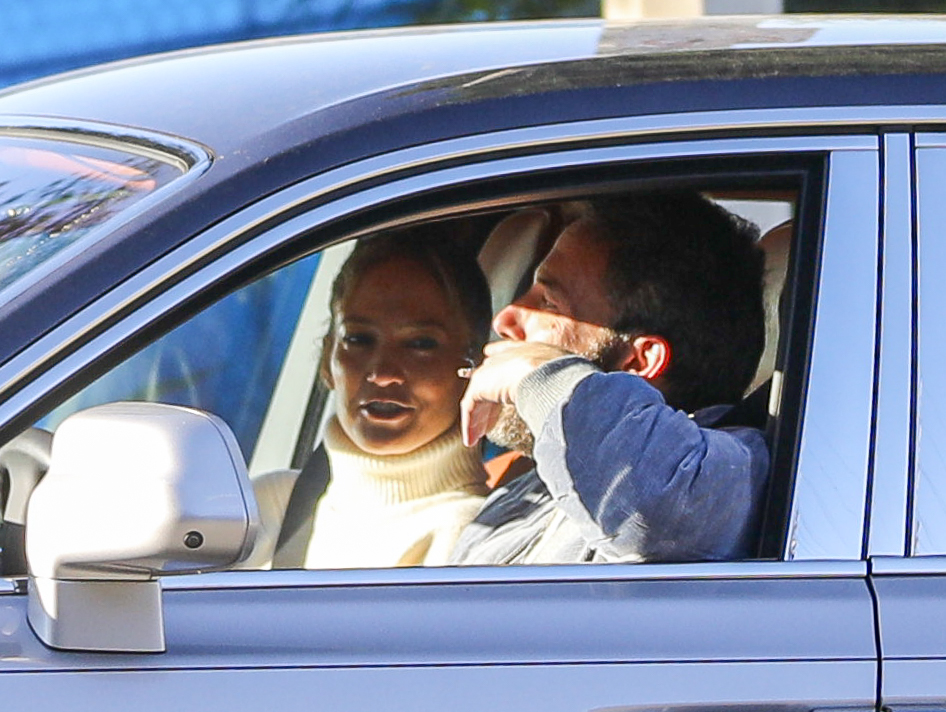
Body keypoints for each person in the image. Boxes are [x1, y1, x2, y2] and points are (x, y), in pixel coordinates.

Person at [450, 191, 771, 565]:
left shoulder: (732, 477)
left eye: (548, 303)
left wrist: (542, 375)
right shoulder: (520, 496)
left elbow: (656, 516)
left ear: (639, 361)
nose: (504, 319)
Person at [250, 227, 493, 569]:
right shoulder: (268, 510)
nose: (382, 373)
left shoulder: (472, 541)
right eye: (359, 339)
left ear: (475, 367)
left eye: (421, 344)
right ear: (326, 360)